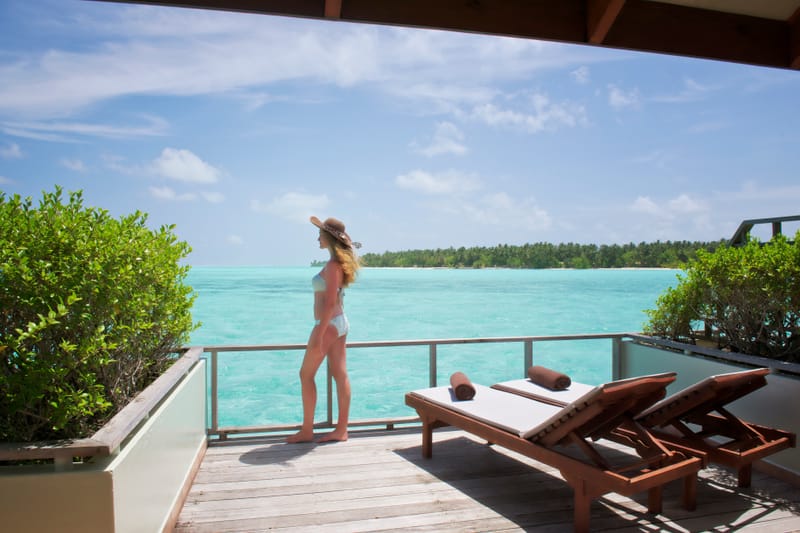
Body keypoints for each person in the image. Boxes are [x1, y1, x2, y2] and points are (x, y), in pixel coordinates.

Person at [287, 216, 361, 443]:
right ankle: (341, 430)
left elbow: (329, 302)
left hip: (328, 324)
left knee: (306, 374)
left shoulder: (332, 266)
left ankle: (307, 430)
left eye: (320, 234)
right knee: (340, 374)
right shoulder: (337, 264)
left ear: (329, 237)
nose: (317, 238)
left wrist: (319, 333)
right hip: (339, 322)